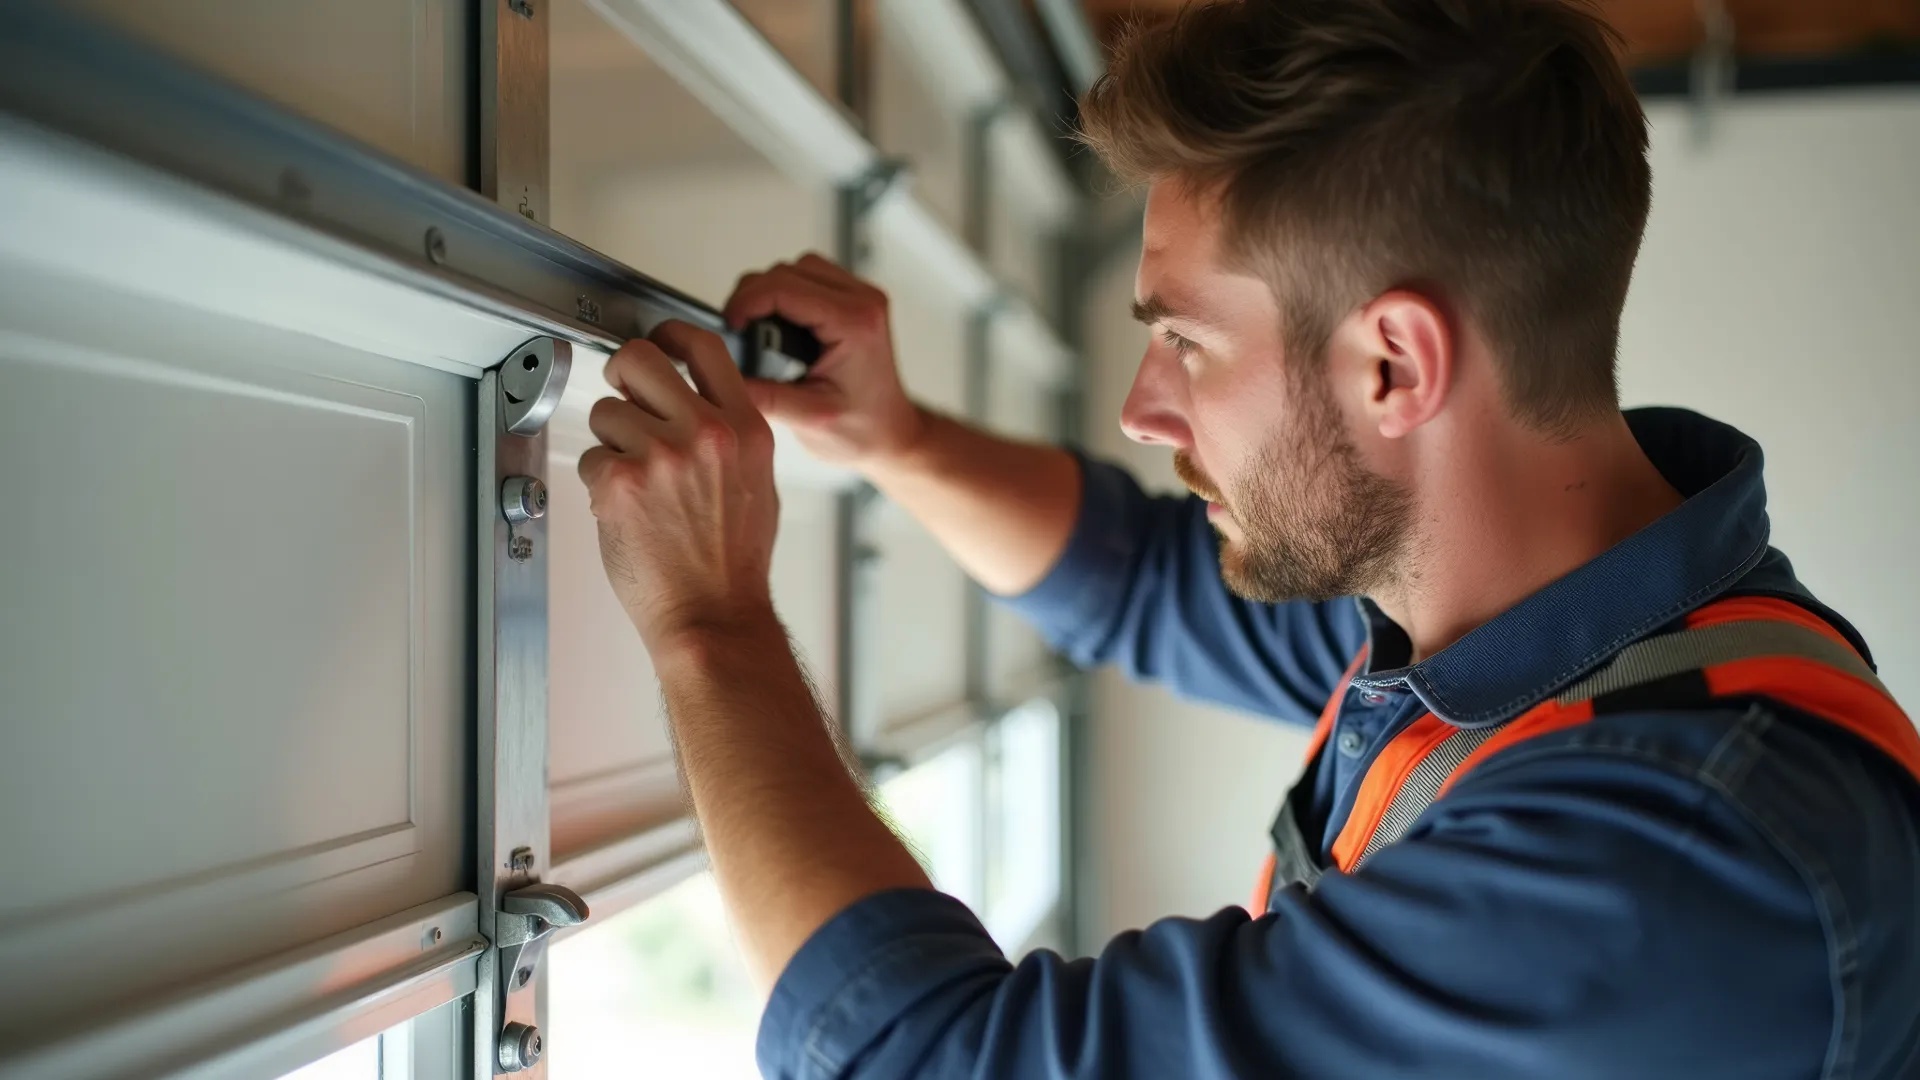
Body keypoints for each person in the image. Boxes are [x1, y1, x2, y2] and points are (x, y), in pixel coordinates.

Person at [574, 0, 1920, 1076]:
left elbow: (925, 1058)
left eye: (1182, 338)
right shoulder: (1520, 629)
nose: (1143, 406)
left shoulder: (1653, 877)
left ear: (1392, 365)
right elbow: (1148, 585)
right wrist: (897, 440)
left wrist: (710, 627)